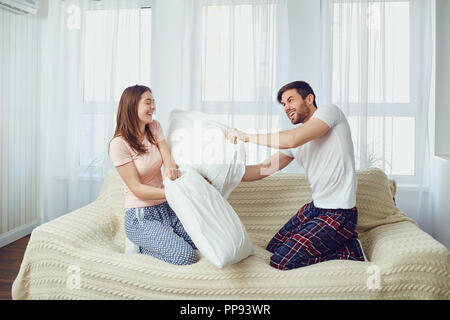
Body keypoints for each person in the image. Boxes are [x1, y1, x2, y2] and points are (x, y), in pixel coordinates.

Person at [225, 80, 365, 270]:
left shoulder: (330, 113)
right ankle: (343, 244)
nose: (287, 107)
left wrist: (247, 136)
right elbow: (261, 169)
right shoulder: (296, 140)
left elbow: (292, 139)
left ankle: (350, 252)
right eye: (283, 104)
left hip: (339, 214)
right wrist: (222, 174)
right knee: (273, 249)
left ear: (309, 99)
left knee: (280, 261)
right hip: (316, 209)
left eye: (290, 100)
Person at [108, 85, 198, 265]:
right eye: (148, 103)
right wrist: (174, 192)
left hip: (167, 208)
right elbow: (137, 189)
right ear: (132, 106)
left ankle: (157, 238)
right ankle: (139, 245)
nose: (153, 107)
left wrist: (172, 170)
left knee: (201, 242)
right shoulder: (118, 144)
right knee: (185, 256)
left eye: (154, 102)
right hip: (141, 216)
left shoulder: (154, 127)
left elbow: (167, 158)